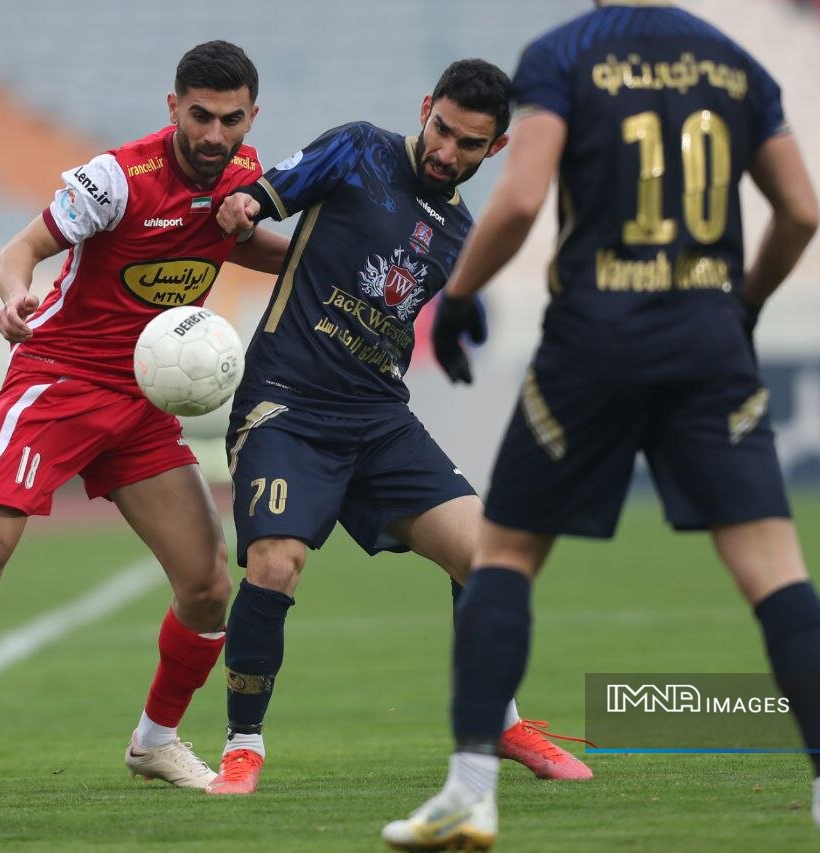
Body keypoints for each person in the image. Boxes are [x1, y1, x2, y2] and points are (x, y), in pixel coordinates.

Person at [382, 3, 820, 851]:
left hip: (594, 344)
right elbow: (799, 210)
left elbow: (521, 198)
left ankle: (471, 794)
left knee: (505, 555)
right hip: (707, 344)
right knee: (775, 572)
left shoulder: (565, 52)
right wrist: (745, 305)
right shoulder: (734, 63)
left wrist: (460, 294)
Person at [0, 40, 290, 801]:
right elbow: (20, 248)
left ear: (251, 116)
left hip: (141, 400)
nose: (213, 134)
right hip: (57, 381)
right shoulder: (117, 177)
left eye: (230, 119)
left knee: (207, 583)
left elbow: (240, 240)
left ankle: (154, 743)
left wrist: (311, 264)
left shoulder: (245, 180)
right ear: (173, 107)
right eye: (199, 115)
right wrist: (12, 294)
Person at [204, 59, 593, 797]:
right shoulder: (358, 150)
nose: (447, 151)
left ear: (495, 148)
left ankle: (498, 722)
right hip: (287, 403)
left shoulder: (461, 236)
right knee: (277, 560)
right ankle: (243, 744)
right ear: (426, 107)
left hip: (378, 419)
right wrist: (246, 206)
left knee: (490, 556)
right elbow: (266, 193)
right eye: (442, 128)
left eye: (469, 143)